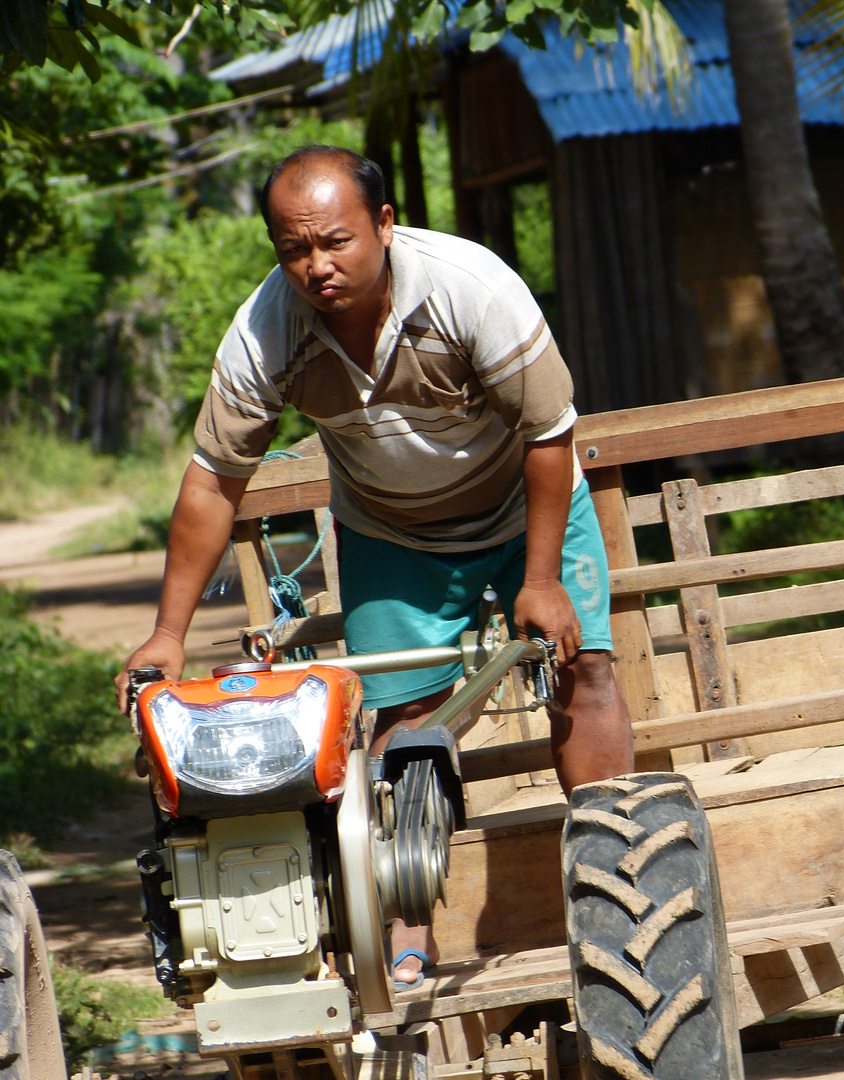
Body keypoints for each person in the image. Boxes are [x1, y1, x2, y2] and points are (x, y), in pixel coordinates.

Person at [114, 144, 635, 988]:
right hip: (394, 528)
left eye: (336, 242)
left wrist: (541, 582)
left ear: (384, 226)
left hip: (527, 502)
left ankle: (620, 883)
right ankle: (407, 930)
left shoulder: (473, 289)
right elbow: (214, 481)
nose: (316, 267)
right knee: (401, 714)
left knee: (586, 674)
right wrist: (166, 634)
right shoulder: (264, 333)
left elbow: (549, 436)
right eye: (293, 249)